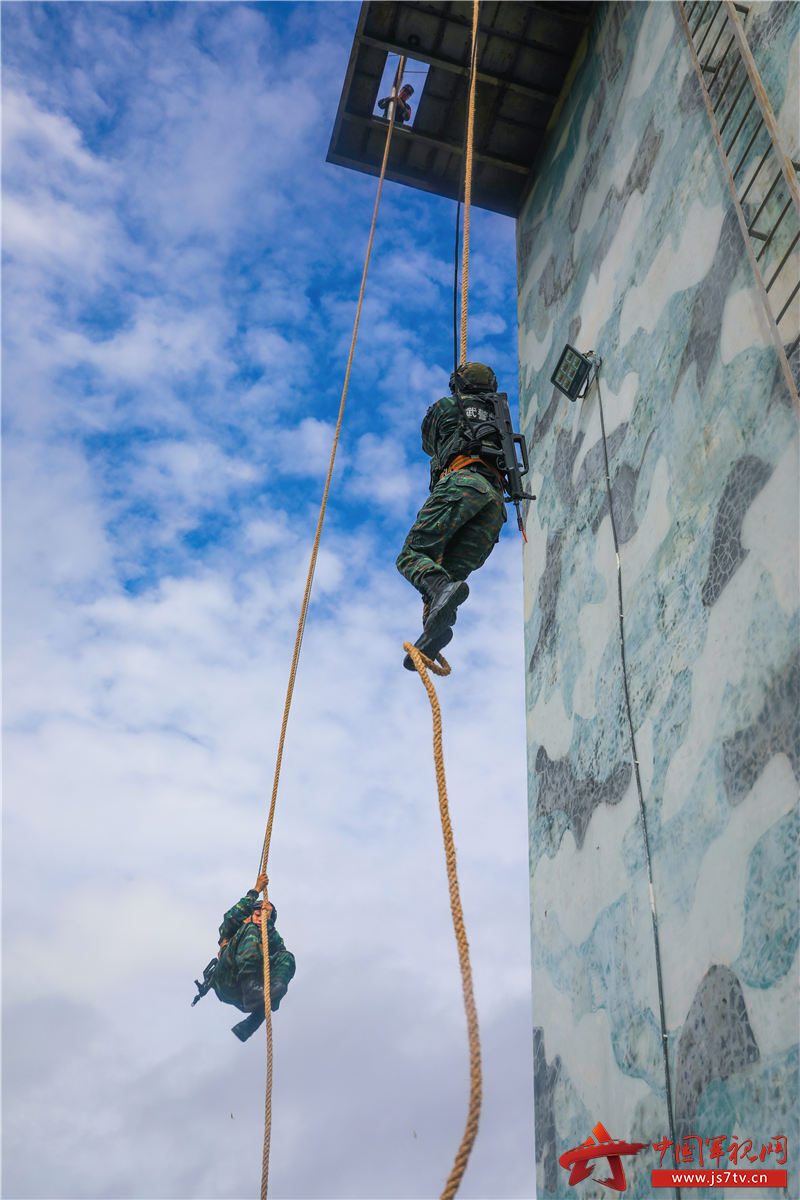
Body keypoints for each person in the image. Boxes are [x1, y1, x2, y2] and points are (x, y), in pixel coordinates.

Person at [397, 362, 508, 669]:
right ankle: (433, 636)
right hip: (494, 506)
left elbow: (426, 440)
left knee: (413, 554)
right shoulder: (501, 418)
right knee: (449, 580)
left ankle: (437, 597)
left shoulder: (447, 407)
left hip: (463, 484)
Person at [193, 873, 296, 1041]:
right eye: (256, 915)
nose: (259, 919)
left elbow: (280, 951)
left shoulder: (269, 934)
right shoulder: (238, 929)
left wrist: (267, 922)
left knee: (287, 957)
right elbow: (230, 917)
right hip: (228, 978)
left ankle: (255, 1018)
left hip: (250, 996)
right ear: (249, 915)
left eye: (264, 917)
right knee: (251, 930)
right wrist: (255, 890)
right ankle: (251, 988)